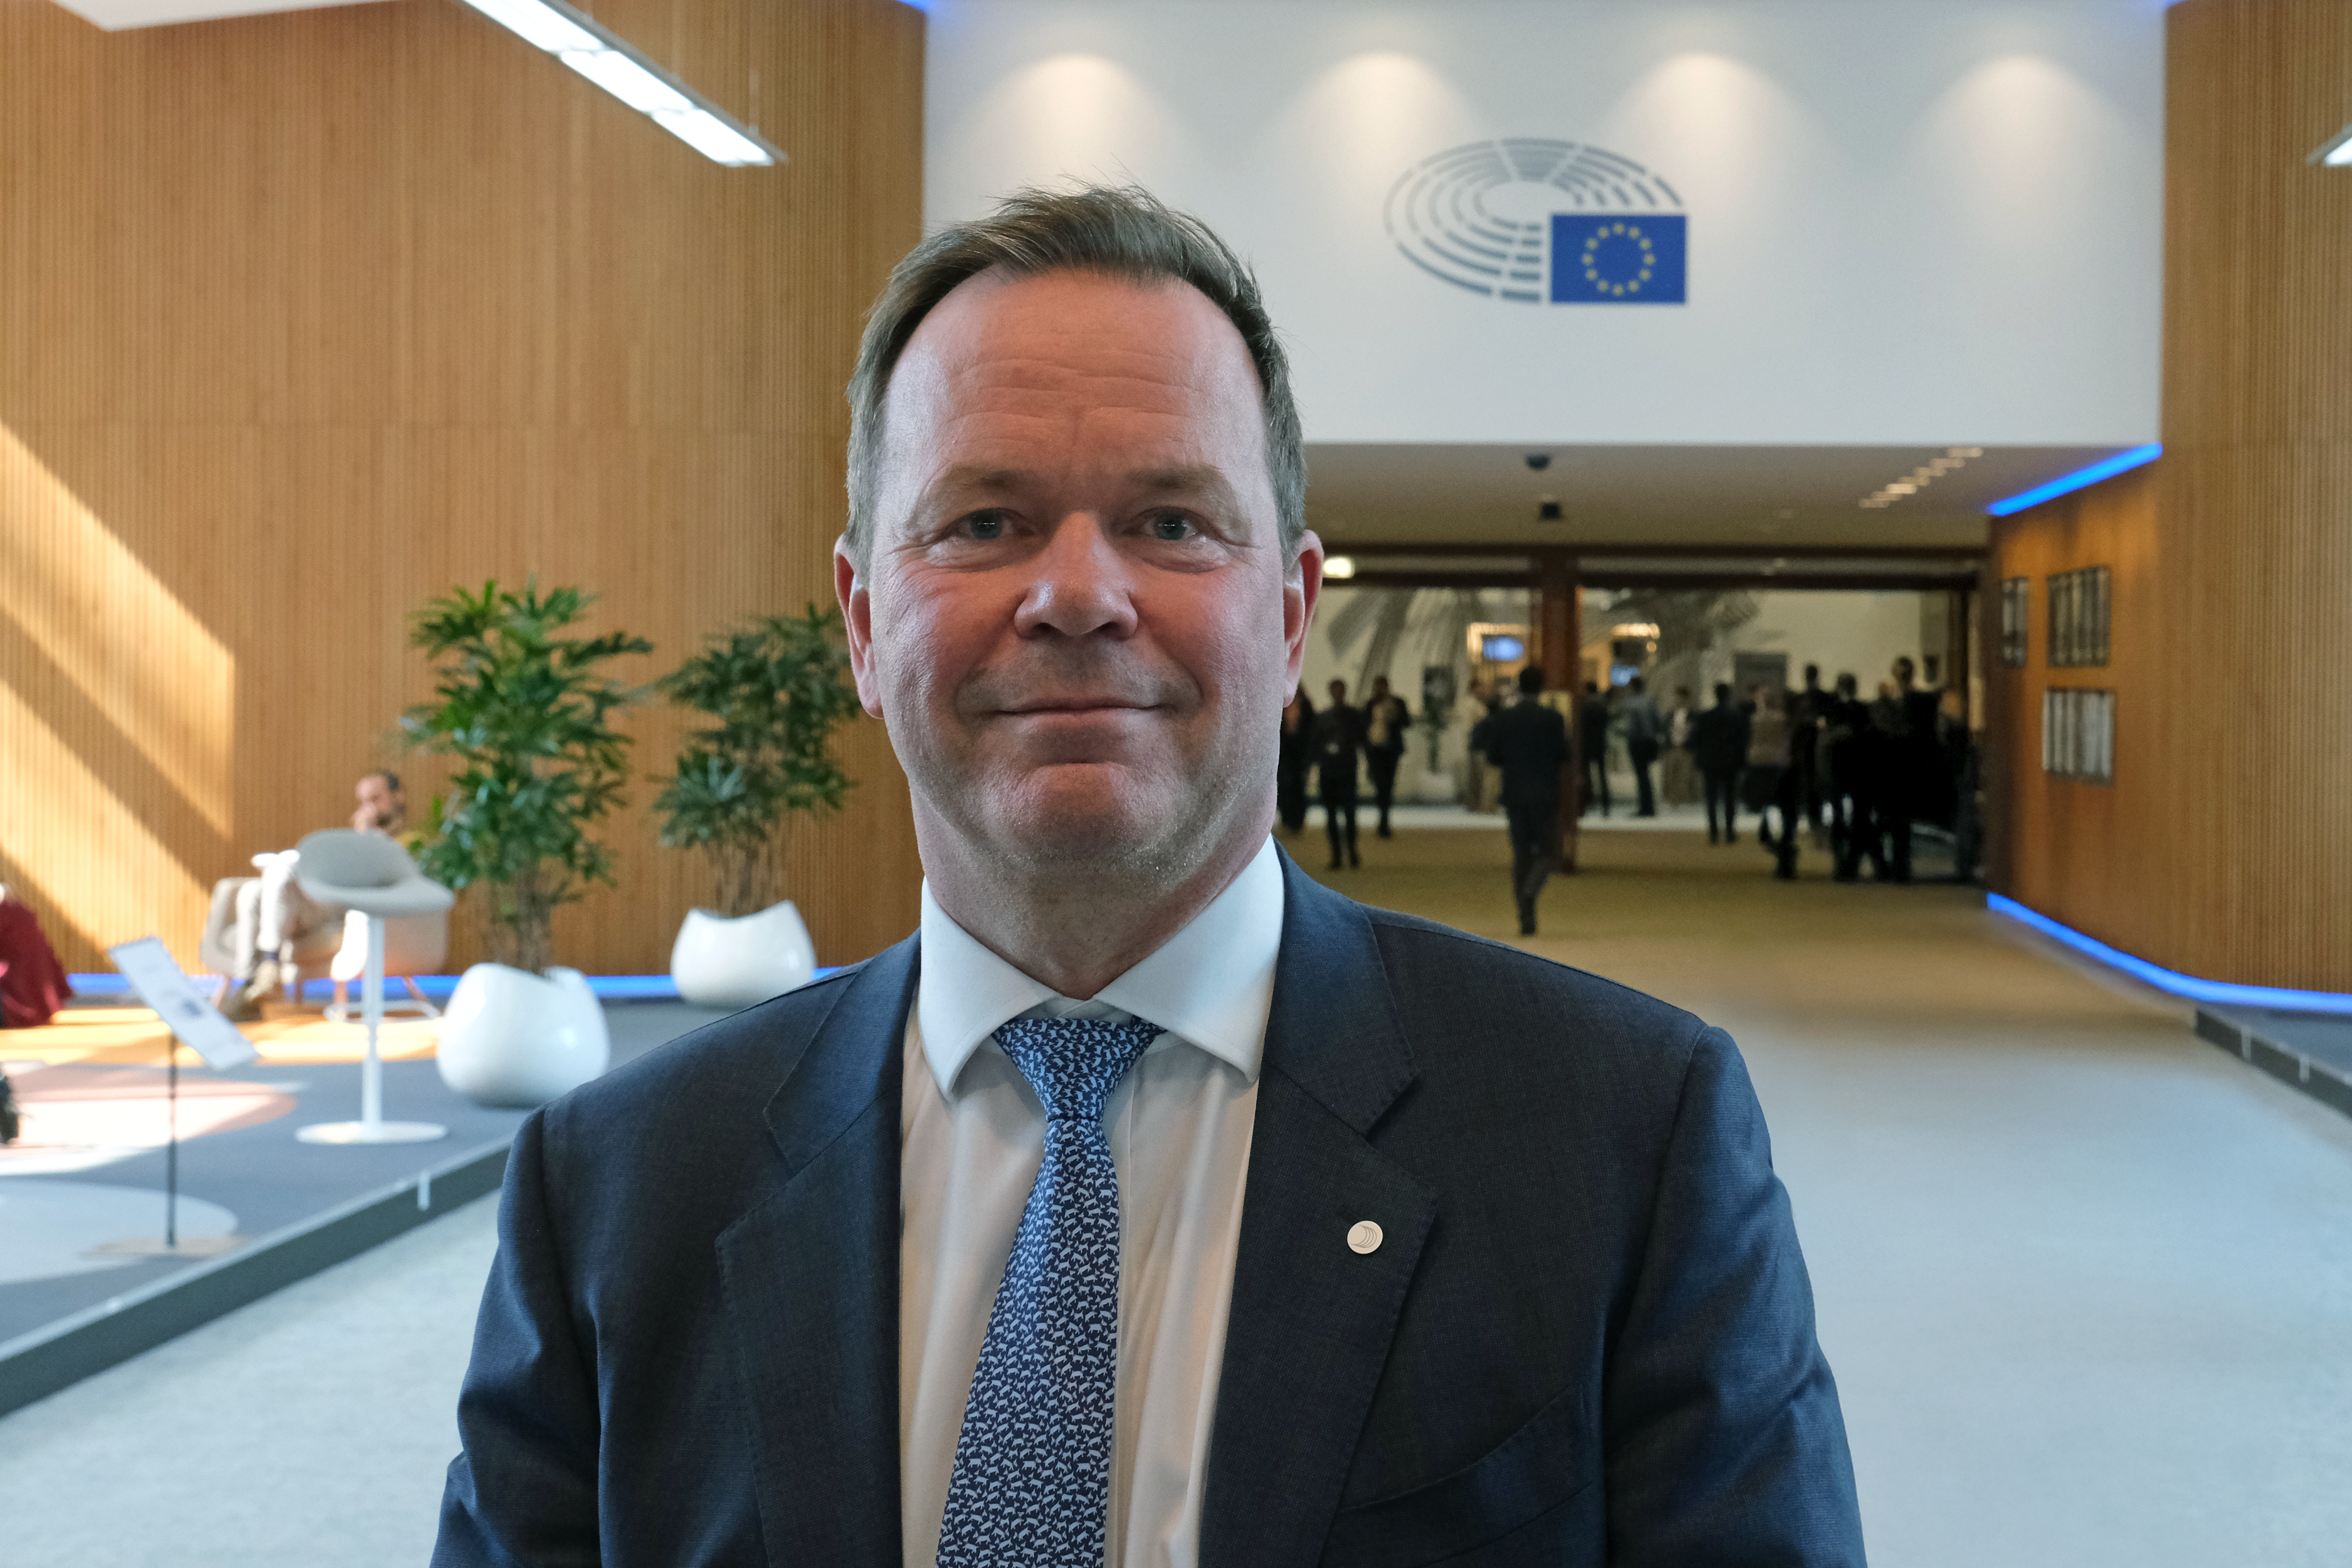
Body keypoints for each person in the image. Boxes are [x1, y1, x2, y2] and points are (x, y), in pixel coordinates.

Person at [433, 184, 1863, 1568]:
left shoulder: (1623, 1135)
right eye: (982, 520)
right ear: (863, 623)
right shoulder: (617, 1183)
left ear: (1291, 613)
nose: (1075, 593)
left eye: (1171, 520)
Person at [223, 769, 412, 1019]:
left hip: (349, 910)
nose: (370, 808)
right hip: (321, 901)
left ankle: (267, 967)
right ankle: (252, 981)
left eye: (376, 799)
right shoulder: (359, 836)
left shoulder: (413, 839)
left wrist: (366, 838)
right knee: (253, 892)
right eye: (364, 801)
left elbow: (380, 877)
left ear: (398, 797)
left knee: (281, 874)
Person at [1481, 664, 1572, 936]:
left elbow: (1494, 756)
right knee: (1548, 851)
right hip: (1544, 793)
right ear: (1542, 687)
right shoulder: (1553, 719)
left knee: (1521, 853)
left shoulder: (1506, 719)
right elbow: (1564, 755)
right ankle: (1531, 891)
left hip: (1515, 793)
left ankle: (1525, 913)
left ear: (1520, 687)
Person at [1743, 686, 1799, 880]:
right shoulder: (1784, 721)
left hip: (1759, 765)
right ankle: (1786, 853)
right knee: (1783, 812)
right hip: (1780, 766)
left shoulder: (1755, 720)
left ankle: (1779, 851)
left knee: (1769, 810)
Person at [1311, 677, 1365, 869]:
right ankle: (1336, 856)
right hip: (1329, 771)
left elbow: (1361, 740)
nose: (1338, 694)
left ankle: (1352, 852)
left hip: (1347, 769)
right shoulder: (1322, 717)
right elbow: (1315, 745)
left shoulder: (1354, 716)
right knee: (1332, 815)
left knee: (1350, 814)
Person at [1690, 681, 1751, 845]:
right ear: (1728, 695)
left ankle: (1714, 833)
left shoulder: (1706, 717)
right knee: (1730, 798)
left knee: (1711, 798)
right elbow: (1743, 741)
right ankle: (1730, 832)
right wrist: (1743, 761)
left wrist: (1700, 757)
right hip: (1731, 762)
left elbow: (1696, 740)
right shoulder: (1736, 717)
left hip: (1711, 762)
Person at [1360, 674, 1411, 838]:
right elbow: (1364, 729)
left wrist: (1393, 714)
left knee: (1388, 786)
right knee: (1380, 784)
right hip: (1375, 751)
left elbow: (1407, 722)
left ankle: (1384, 821)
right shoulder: (1370, 705)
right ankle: (1383, 819)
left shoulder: (1397, 703)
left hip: (1391, 750)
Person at [1790, 663, 1829, 831]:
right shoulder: (1822, 698)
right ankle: (1816, 818)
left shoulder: (1802, 699)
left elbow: (1796, 725)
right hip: (1816, 746)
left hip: (1807, 746)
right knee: (1815, 783)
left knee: (1810, 783)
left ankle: (1813, 817)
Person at [1275, 685, 1315, 835]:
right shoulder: (1282, 705)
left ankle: (1297, 821)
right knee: (1284, 789)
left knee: (1298, 788)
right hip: (1285, 754)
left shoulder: (1306, 707)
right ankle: (1288, 820)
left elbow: (1310, 732)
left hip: (1300, 755)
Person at [1621, 674, 1661, 817]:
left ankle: (1645, 808)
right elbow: (1658, 722)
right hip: (1650, 741)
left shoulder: (1631, 704)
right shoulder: (1651, 702)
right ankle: (1649, 806)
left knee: (1641, 775)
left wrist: (1624, 734)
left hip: (1637, 742)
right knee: (1646, 775)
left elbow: (1631, 726)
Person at [1576, 680, 1612, 817]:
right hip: (1600, 744)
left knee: (1586, 776)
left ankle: (1587, 801)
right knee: (1602, 776)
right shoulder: (1602, 706)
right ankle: (1606, 804)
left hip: (1587, 745)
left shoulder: (1585, 707)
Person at [1662, 683, 1700, 806]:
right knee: (1671, 774)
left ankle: (1684, 798)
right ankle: (1673, 799)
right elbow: (1665, 728)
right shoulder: (1671, 714)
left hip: (1686, 748)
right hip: (1673, 747)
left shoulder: (1693, 715)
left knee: (1685, 775)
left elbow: (1697, 731)